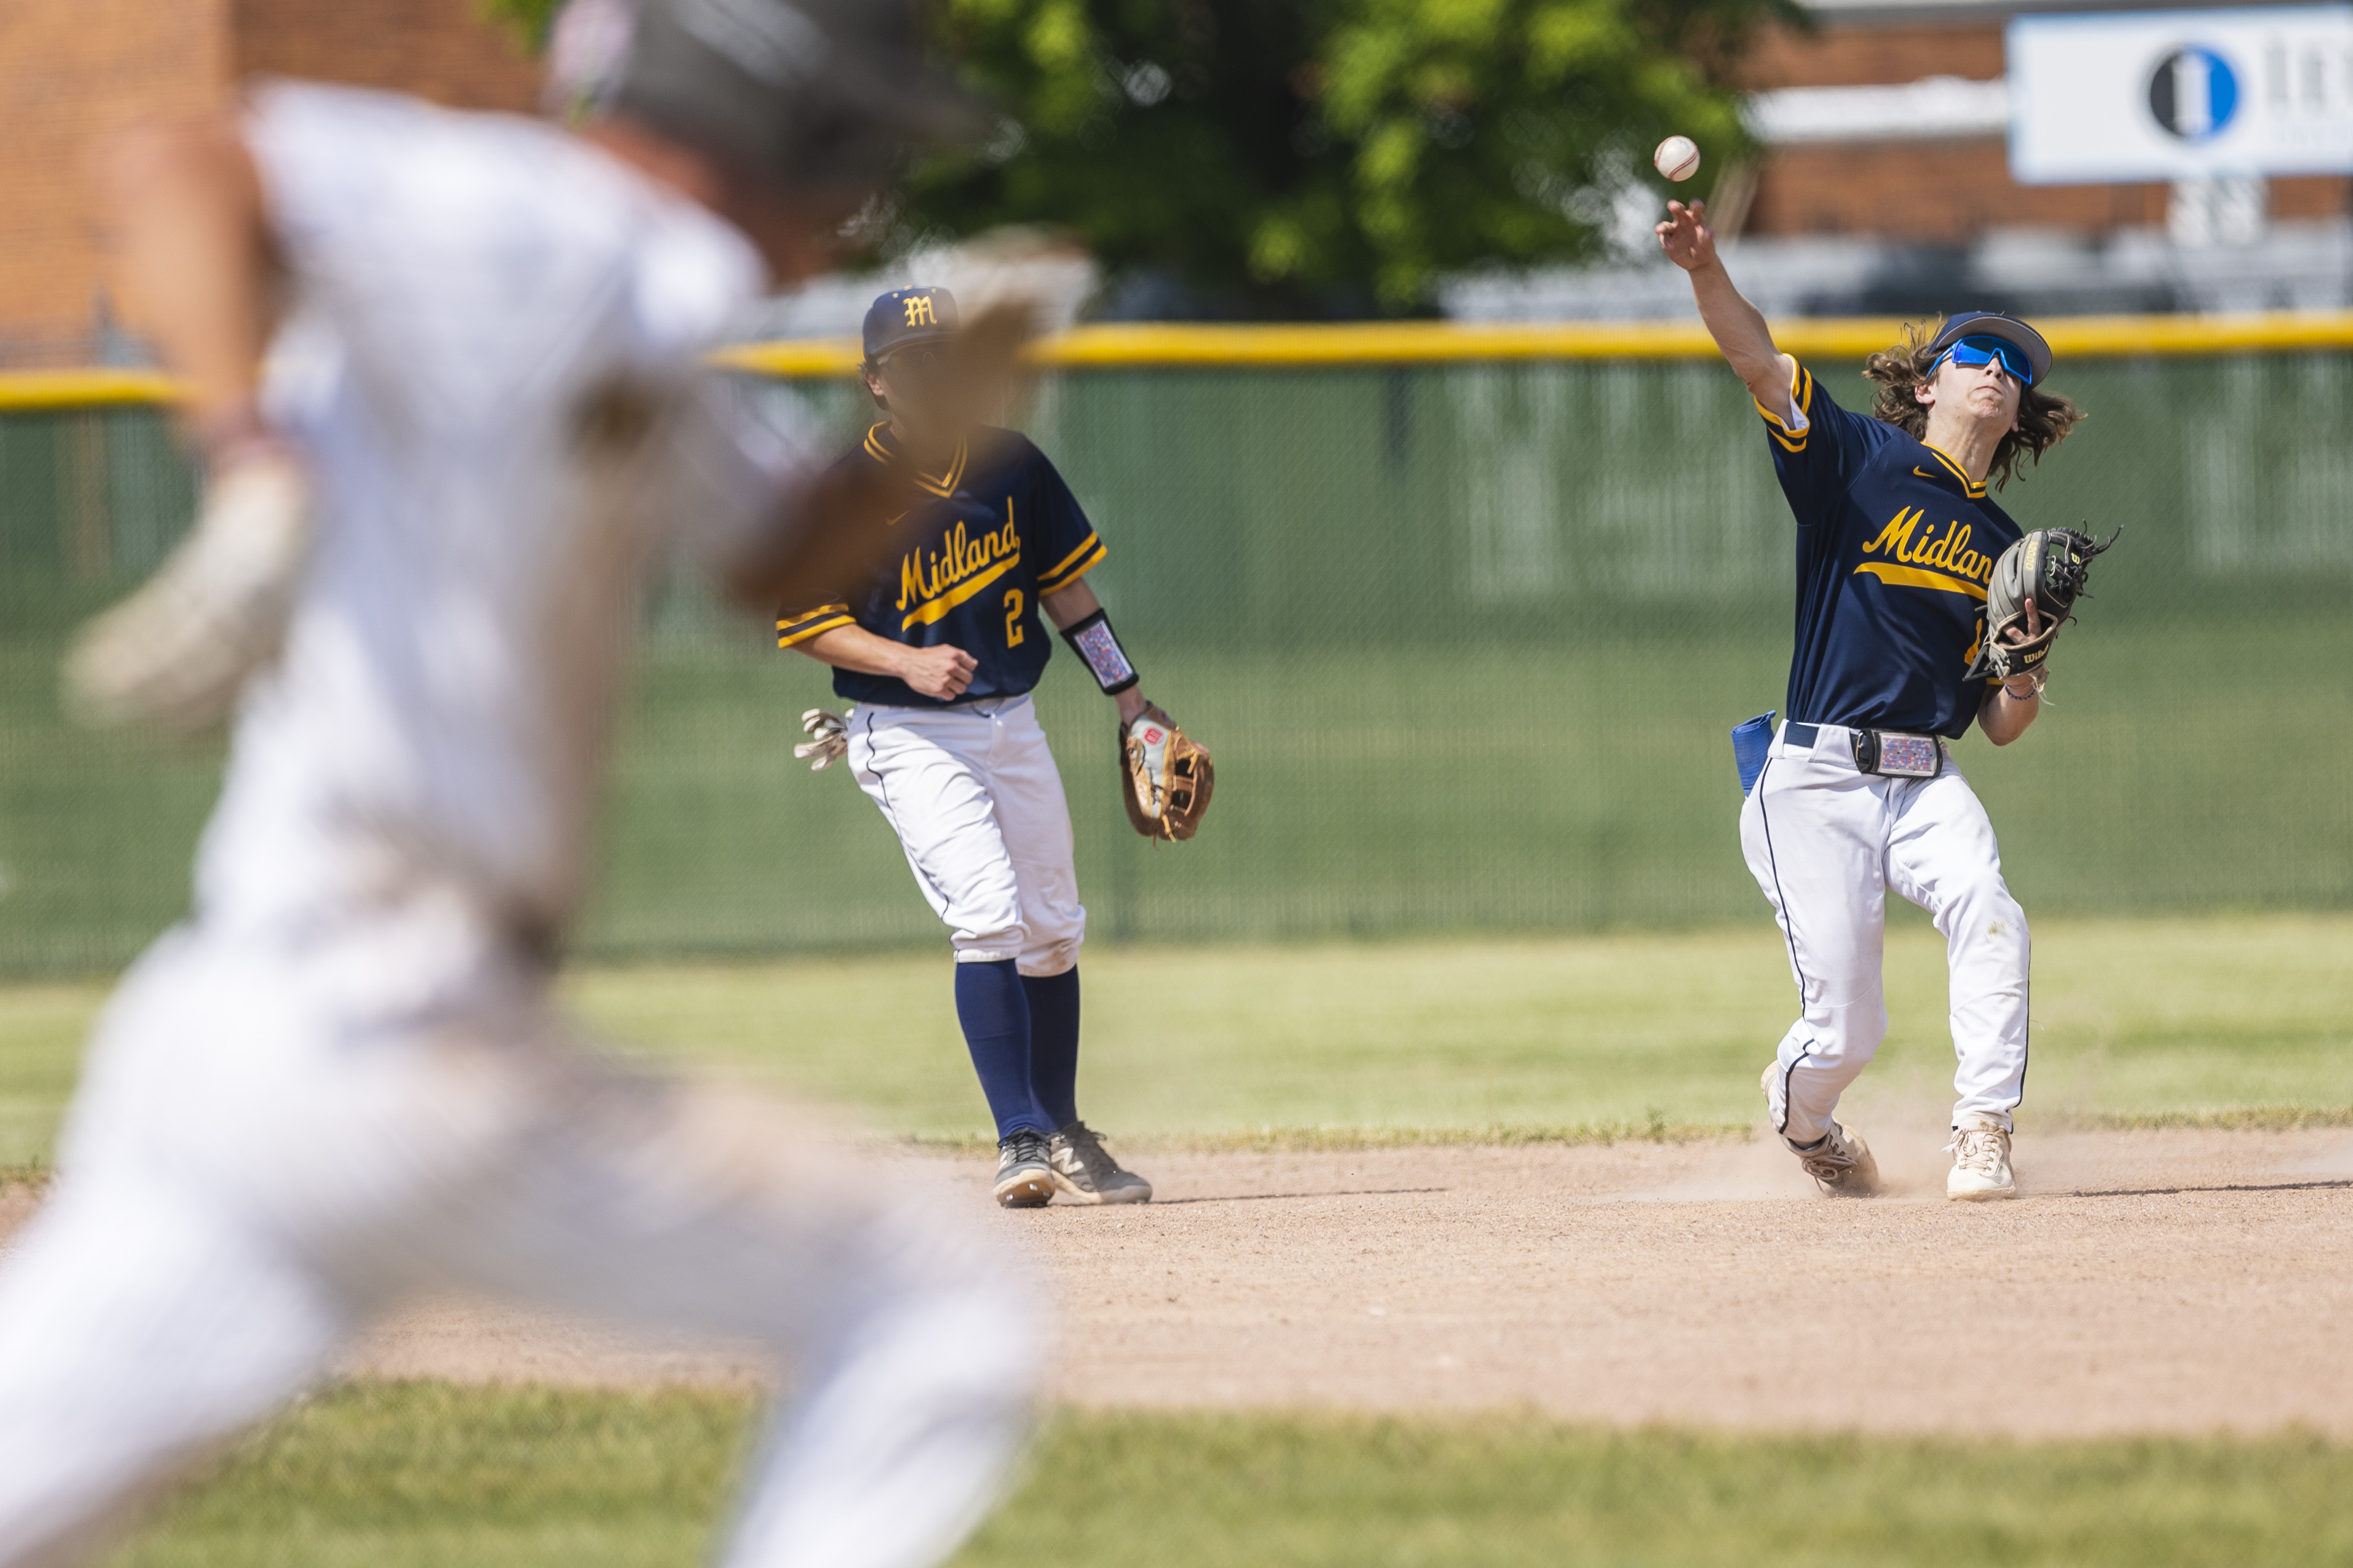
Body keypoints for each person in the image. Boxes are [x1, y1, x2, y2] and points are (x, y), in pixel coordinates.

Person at [0, 5, 1043, 1565]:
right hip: (393, 1033)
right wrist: (254, 462)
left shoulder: (623, 314)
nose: (862, 209)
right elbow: (183, 158)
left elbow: (765, 557)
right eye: (866, 158)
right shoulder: (537, 216)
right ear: (793, 133)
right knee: (928, 1304)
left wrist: (950, 414)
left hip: (243, 1034)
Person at [1657, 197, 2086, 1202]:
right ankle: (1804, 1121)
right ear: (1928, 380)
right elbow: (1759, 362)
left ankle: (1982, 1129)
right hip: (1813, 778)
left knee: (1990, 908)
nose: (1996, 370)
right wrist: (1704, 272)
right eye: (1975, 355)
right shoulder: (1855, 460)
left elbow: (2004, 725)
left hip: (1926, 774)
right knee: (1848, 1030)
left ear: (2020, 411)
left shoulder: (2008, 548)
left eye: (2014, 368)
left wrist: (2022, 663)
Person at [779, 285, 1157, 1210]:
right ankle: (1016, 1136)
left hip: (1011, 721)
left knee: (1055, 928)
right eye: (914, 364)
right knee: (988, 912)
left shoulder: (1013, 466)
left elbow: (1070, 594)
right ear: (878, 383)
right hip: (906, 732)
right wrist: (904, 663)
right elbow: (806, 622)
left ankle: (1063, 1129)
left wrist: (1133, 702)